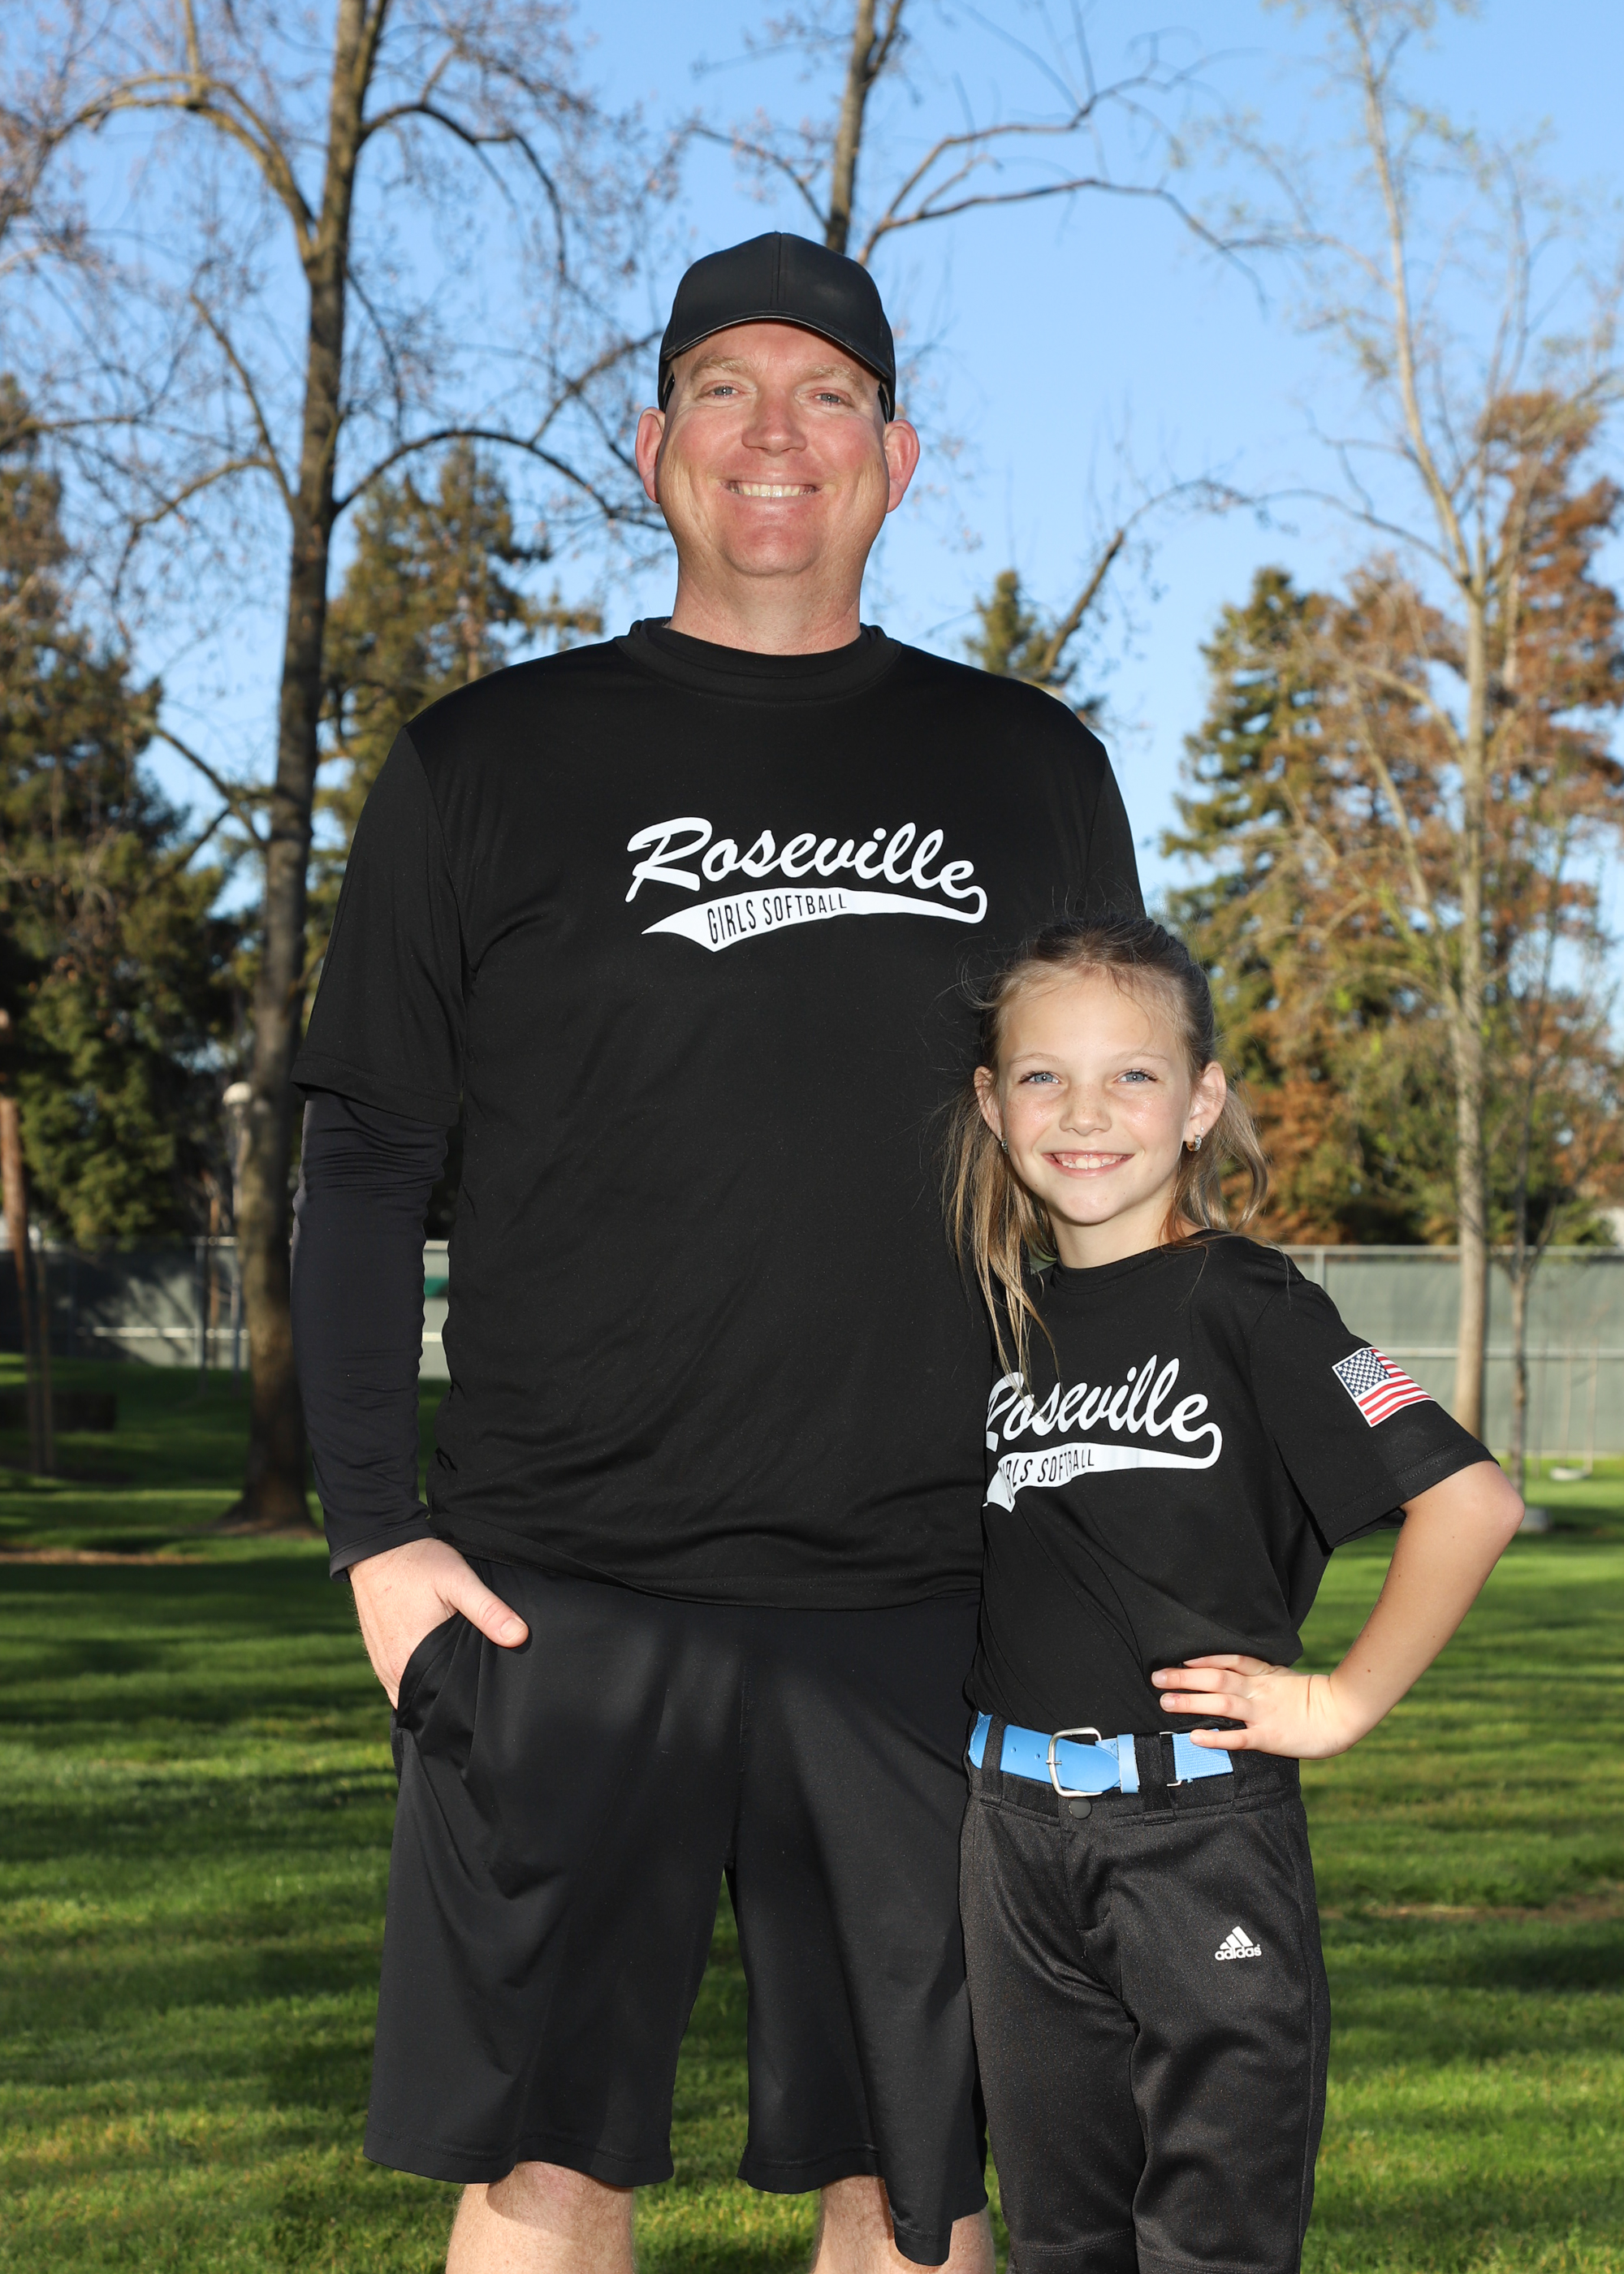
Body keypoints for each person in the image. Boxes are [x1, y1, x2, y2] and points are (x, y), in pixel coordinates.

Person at [289, 231, 1142, 2274]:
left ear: (895, 456)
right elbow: (370, 1153)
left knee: (916, 2182)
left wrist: (1123, 1521)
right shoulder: (484, 763)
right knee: (545, 2171)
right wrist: (374, 1532)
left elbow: (1106, 1168)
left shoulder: (1028, 768)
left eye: (828, 391)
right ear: (653, 441)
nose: (778, 432)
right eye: (727, 387)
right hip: (560, 1589)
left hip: (933, 1589)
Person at [943, 914, 1523, 2274]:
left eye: (1134, 1075)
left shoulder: (1254, 1303)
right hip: (1010, 1838)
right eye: (1043, 1076)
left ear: (1202, 1102)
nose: (1086, 1113)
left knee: (1214, 2243)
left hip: (1197, 1835)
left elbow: (1472, 1502)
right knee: (1061, 2239)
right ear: (992, 1104)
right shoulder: (997, 1318)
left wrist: (1340, 1702)